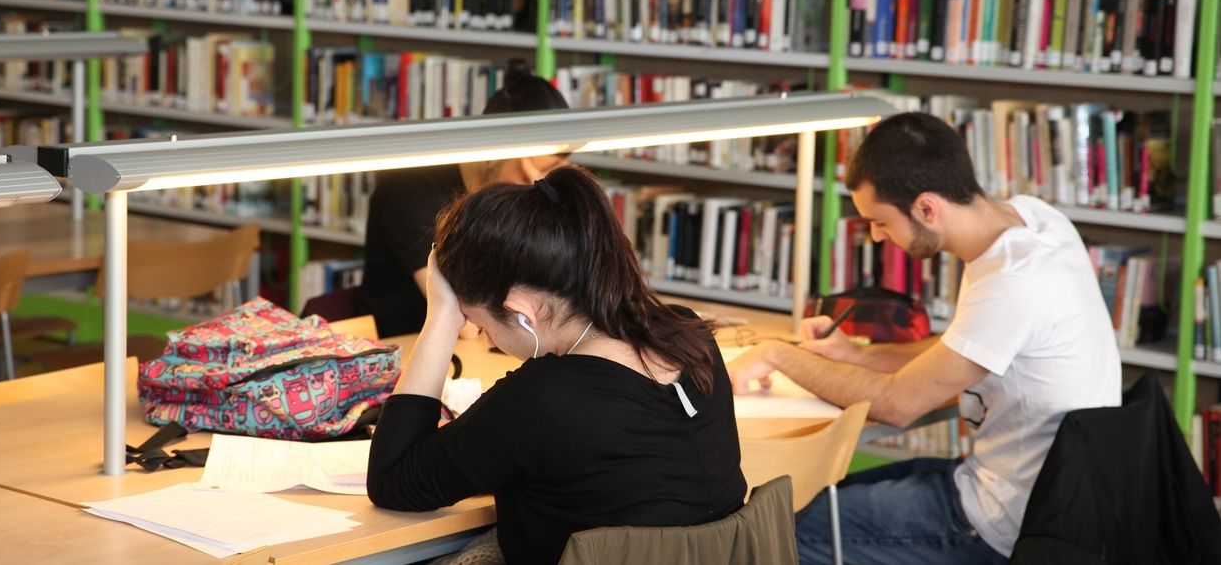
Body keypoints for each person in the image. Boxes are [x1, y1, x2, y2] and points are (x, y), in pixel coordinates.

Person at [726, 112, 1121, 564]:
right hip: (1024, 491)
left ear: (927, 209)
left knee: (759, 535)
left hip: (1001, 524)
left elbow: (899, 405)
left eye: (879, 221)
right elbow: (960, 347)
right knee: (796, 500)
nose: (875, 236)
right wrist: (855, 355)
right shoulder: (1032, 219)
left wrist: (780, 356)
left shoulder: (1014, 283)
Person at [367, 165, 747, 565]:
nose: (488, 339)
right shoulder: (688, 333)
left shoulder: (542, 399)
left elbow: (393, 480)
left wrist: (440, 318)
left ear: (522, 313)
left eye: (481, 326)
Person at [359, 60, 570, 338]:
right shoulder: (410, 190)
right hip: (409, 349)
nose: (536, 187)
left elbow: (562, 302)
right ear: (492, 150)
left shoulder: (504, 196)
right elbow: (468, 324)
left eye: (548, 173)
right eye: (530, 170)